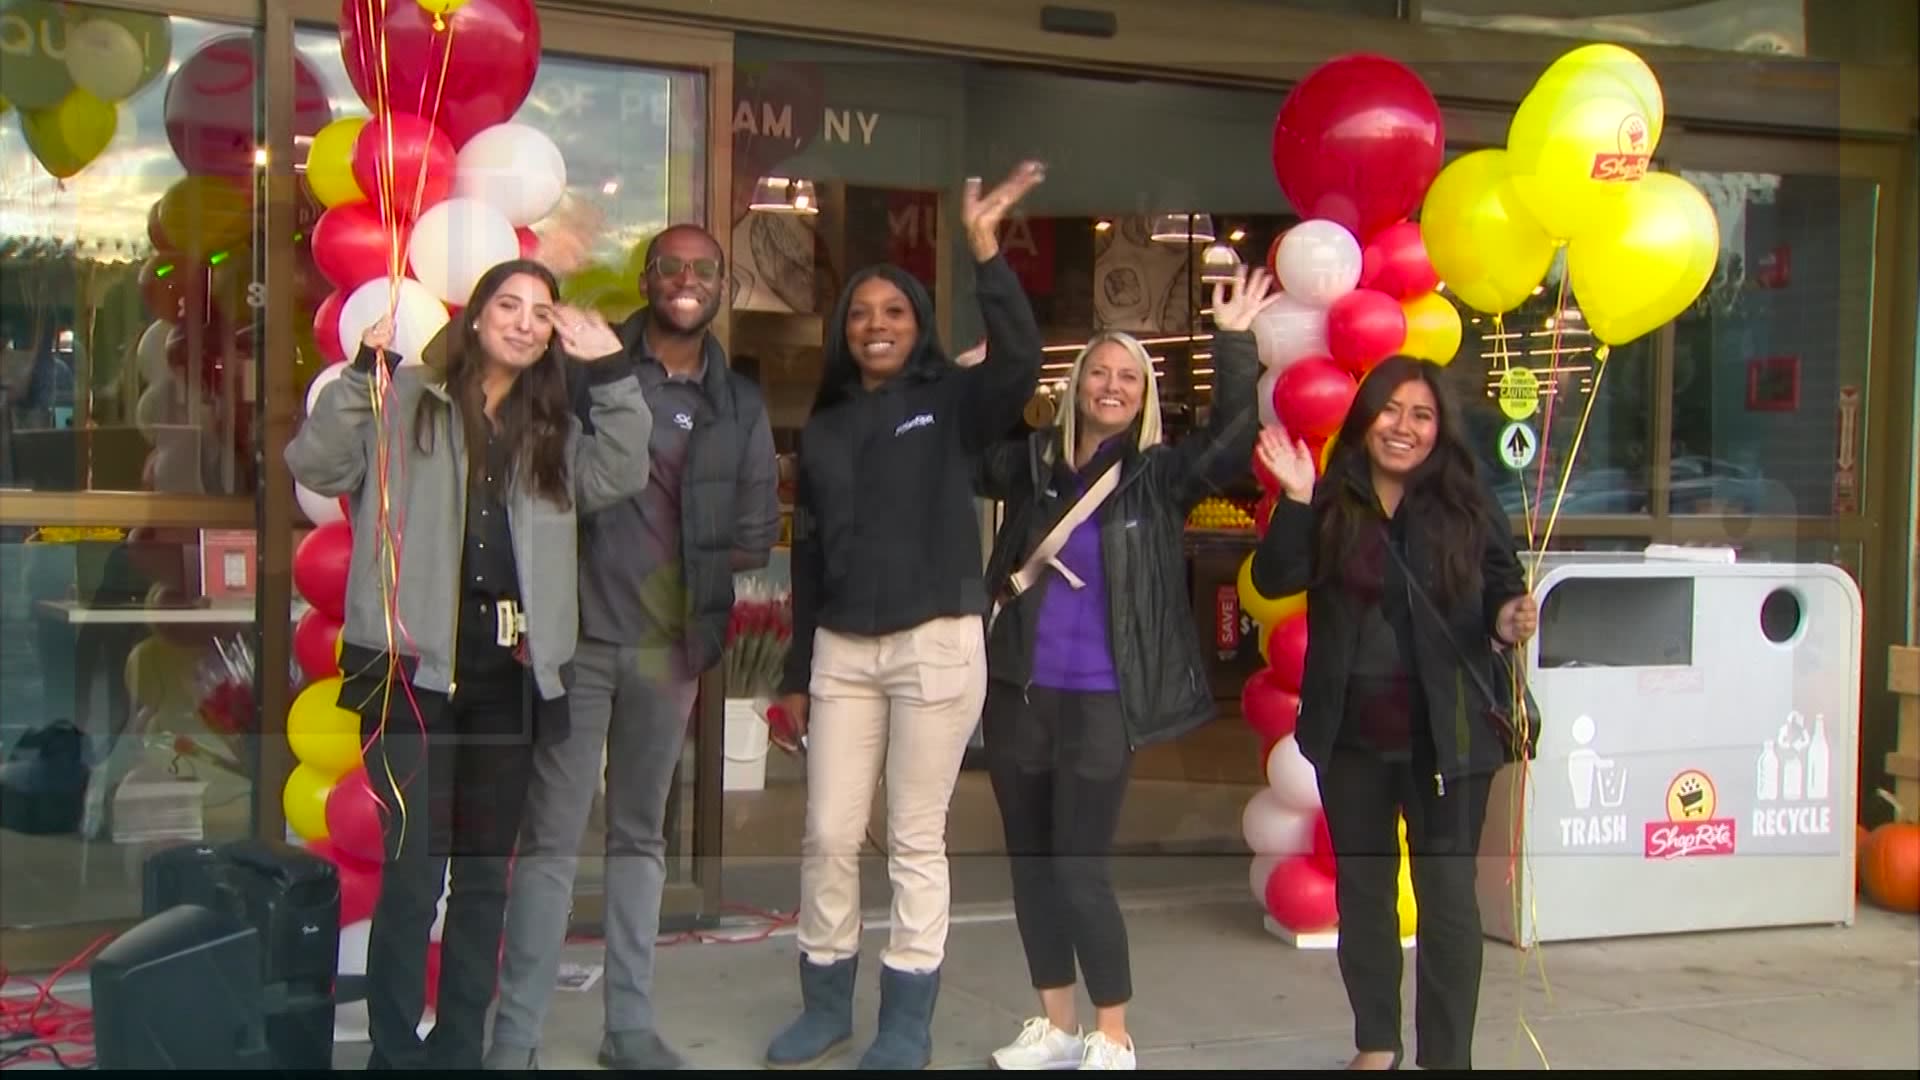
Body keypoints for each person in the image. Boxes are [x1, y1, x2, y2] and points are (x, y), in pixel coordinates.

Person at [285, 260, 650, 1070]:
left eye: (540, 311)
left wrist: (613, 372)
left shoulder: (552, 423)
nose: (524, 321)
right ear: (478, 315)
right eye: (508, 305)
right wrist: (358, 376)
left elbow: (621, 471)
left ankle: (457, 1051)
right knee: (415, 878)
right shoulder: (409, 394)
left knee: (487, 880)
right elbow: (317, 467)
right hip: (409, 669)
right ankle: (393, 1051)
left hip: (509, 676)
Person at [762, 160, 1047, 1072]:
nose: (875, 326)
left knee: (916, 836)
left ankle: (907, 1019)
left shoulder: (953, 403)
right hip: (843, 652)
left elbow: (1022, 364)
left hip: (934, 645)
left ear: (918, 325)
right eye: (860, 314)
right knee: (829, 833)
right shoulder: (830, 425)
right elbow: (807, 555)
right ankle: (825, 1000)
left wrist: (985, 252)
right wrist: (796, 674)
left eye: (893, 313)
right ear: (843, 333)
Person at [972, 265, 1280, 1071]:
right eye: (1099, 373)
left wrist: (1235, 344)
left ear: (1143, 397)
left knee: (1078, 867)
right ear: (1075, 385)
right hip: (1020, 695)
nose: (1112, 387)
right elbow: (968, 455)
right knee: (1033, 865)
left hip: (1104, 700)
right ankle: (1056, 1025)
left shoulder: (1158, 476)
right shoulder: (1033, 466)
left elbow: (1232, 437)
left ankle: (1113, 1034)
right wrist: (977, 380)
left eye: (1129, 378)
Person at [487, 225, 780, 1071]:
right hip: (573, 640)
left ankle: (628, 1029)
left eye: (704, 270)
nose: (687, 281)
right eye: (672, 267)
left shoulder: (739, 403)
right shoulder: (581, 365)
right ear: (648, 278)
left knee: (640, 838)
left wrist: (681, 569)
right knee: (550, 840)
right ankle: (515, 1041)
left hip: (667, 652)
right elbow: (528, 478)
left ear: (722, 284)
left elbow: (755, 535)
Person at [1248, 357, 1539, 1072]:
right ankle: (1376, 1044)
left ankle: (1447, 1060)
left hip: (1450, 737)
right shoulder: (1332, 498)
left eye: (1422, 415)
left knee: (1447, 906)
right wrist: (1293, 497)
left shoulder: (1467, 503)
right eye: (1390, 410)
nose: (1403, 427)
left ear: (1441, 429)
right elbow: (1278, 576)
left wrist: (1509, 617)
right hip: (1352, 739)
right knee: (1366, 897)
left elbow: (1504, 585)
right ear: (1365, 417)